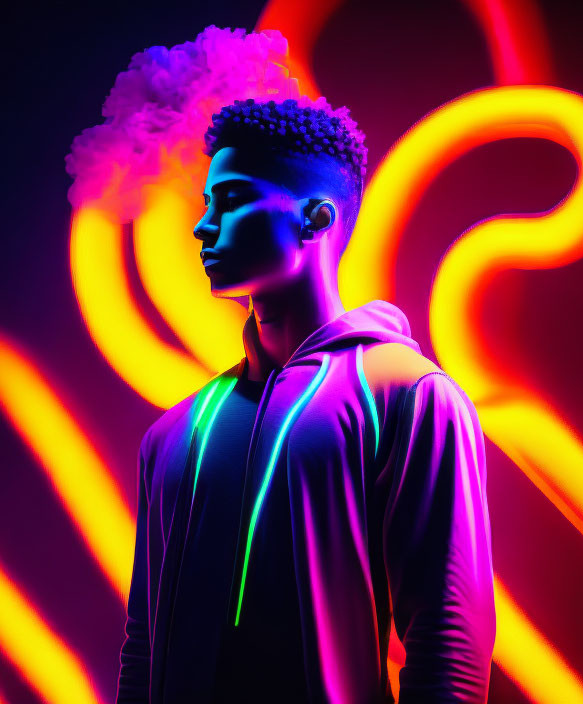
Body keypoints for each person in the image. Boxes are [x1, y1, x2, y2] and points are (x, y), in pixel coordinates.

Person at [115, 96, 496, 703]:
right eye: (207, 201)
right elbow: (143, 645)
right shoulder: (173, 435)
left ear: (316, 219)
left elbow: (446, 635)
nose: (203, 224)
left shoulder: (411, 396)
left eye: (233, 199)